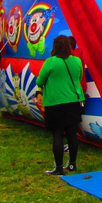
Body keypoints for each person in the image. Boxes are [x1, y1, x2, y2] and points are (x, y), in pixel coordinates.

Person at [36, 35, 85, 176]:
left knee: (57, 134)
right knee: (72, 134)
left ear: (55, 46)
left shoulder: (51, 62)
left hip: (55, 103)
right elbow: (79, 77)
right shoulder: (76, 61)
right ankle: (73, 165)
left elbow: (40, 80)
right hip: (73, 102)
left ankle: (58, 168)